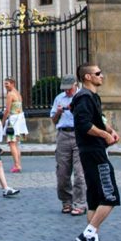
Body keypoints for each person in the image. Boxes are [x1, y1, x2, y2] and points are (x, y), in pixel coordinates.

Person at [63, 63, 118, 241]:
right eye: (97, 73)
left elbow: (98, 119)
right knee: (110, 196)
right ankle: (88, 233)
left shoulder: (92, 97)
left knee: (94, 199)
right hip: (93, 151)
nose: (101, 76)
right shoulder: (84, 97)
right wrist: (104, 135)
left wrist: (110, 131)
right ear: (87, 77)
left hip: (93, 150)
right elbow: (84, 125)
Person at [51, 77, 87, 216]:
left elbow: (87, 117)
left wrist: (73, 110)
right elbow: (54, 120)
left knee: (79, 174)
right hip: (63, 135)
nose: (67, 90)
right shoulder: (59, 98)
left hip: (79, 135)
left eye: (69, 87)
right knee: (62, 173)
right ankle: (66, 201)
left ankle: (79, 203)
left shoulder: (82, 97)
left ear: (75, 84)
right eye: (64, 88)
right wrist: (59, 112)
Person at [3, 78, 26, 172]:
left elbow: (7, 110)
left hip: (13, 121)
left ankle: (17, 165)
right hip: (19, 120)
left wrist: (3, 121)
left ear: (13, 83)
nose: (5, 85)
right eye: (4, 84)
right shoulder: (17, 93)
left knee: (12, 143)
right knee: (16, 144)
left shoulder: (10, 94)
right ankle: (18, 163)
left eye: (7, 84)